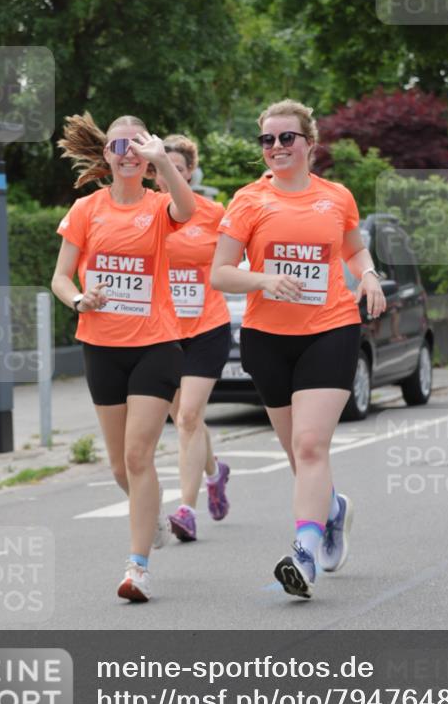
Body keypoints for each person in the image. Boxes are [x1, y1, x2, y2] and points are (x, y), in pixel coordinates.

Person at [211, 99, 386, 599]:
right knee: (296, 452)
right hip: (267, 338)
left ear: (309, 142)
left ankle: (304, 555)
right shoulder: (248, 200)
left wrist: (368, 275)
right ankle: (332, 510)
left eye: (286, 137)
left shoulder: (337, 197)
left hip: (330, 328)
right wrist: (264, 280)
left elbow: (354, 249)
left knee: (310, 446)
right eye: (267, 139)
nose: (276, 147)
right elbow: (220, 273)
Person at [51, 112, 195, 602]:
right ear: (107, 155)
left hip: (155, 345)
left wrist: (164, 163)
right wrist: (79, 299)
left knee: (138, 455)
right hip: (102, 347)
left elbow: (187, 208)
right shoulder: (86, 209)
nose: (128, 153)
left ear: (148, 152)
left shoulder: (158, 205)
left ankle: (138, 568)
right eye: (119, 146)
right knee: (119, 467)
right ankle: (153, 516)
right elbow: (61, 277)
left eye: (137, 145)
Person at [155, 134, 231, 542]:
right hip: (163, 332)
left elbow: (233, 262)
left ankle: (186, 510)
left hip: (206, 327)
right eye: (161, 168)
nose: (168, 175)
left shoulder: (213, 213)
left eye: (177, 169)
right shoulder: (146, 213)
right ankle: (215, 473)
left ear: (189, 173)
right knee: (186, 418)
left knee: (187, 417)